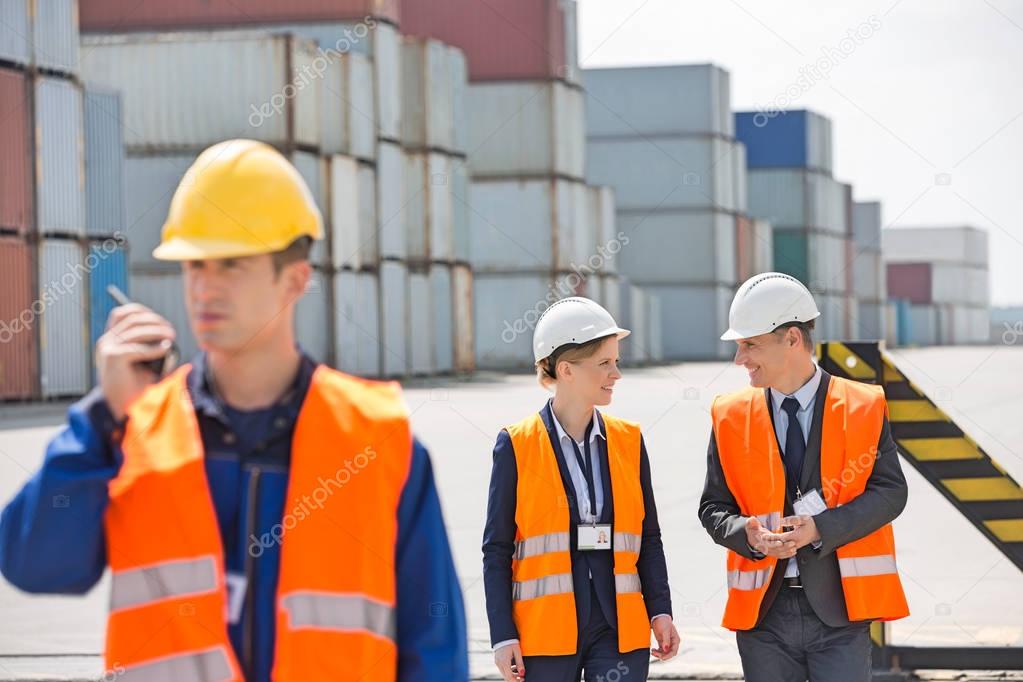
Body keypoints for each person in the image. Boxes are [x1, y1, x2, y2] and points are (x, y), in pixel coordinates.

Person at [0, 140, 468, 682]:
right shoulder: (134, 430)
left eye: (231, 264)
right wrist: (102, 415)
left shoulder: (376, 442)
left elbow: (435, 650)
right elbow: (35, 565)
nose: (205, 286)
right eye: (194, 263)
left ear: (294, 279)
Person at [698, 272, 910, 682]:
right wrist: (749, 534)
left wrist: (820, 528)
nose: (739, 359)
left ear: (792, 339)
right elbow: (713, 507)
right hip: (764, 616)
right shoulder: (730, 414)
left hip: (840, 613)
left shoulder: (863, 405)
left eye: (750, 345)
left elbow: (890, 492)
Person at [483, 297, 680, 682]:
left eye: (616, 362)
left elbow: (648, 536)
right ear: (566, 369)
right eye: (604, 363)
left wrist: (660, 611)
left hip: (618, 628)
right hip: (546, 634)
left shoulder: (628, 440)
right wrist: (502, 634)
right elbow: (497, 548)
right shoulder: (516, 445)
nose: (616, 374)